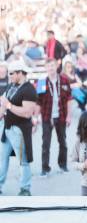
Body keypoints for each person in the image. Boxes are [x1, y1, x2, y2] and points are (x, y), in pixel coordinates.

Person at [0, 61, 37, 196]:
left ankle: (25, 188)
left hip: (19, 130)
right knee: (2, 159)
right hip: (7, 128)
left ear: (20, 73)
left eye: (11, 73)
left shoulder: (29, 89)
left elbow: (27, 112)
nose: (9, 76)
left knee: (23, 161)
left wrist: (9, 105)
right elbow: (3, 105)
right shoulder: (12, 85)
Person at [37, 58, 73, 176]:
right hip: (47, 117)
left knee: (62, 142)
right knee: (45, 143)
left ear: (56, 66)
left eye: (52, 65)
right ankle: (45, 168)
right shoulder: (42, 82)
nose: (51, 68)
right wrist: (36, 117)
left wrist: (69, 116)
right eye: (48, 66)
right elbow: (38, 102)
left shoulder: (64, 80)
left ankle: (63, 165)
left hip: (61, 116)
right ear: (45, 68)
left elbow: (69, 99)